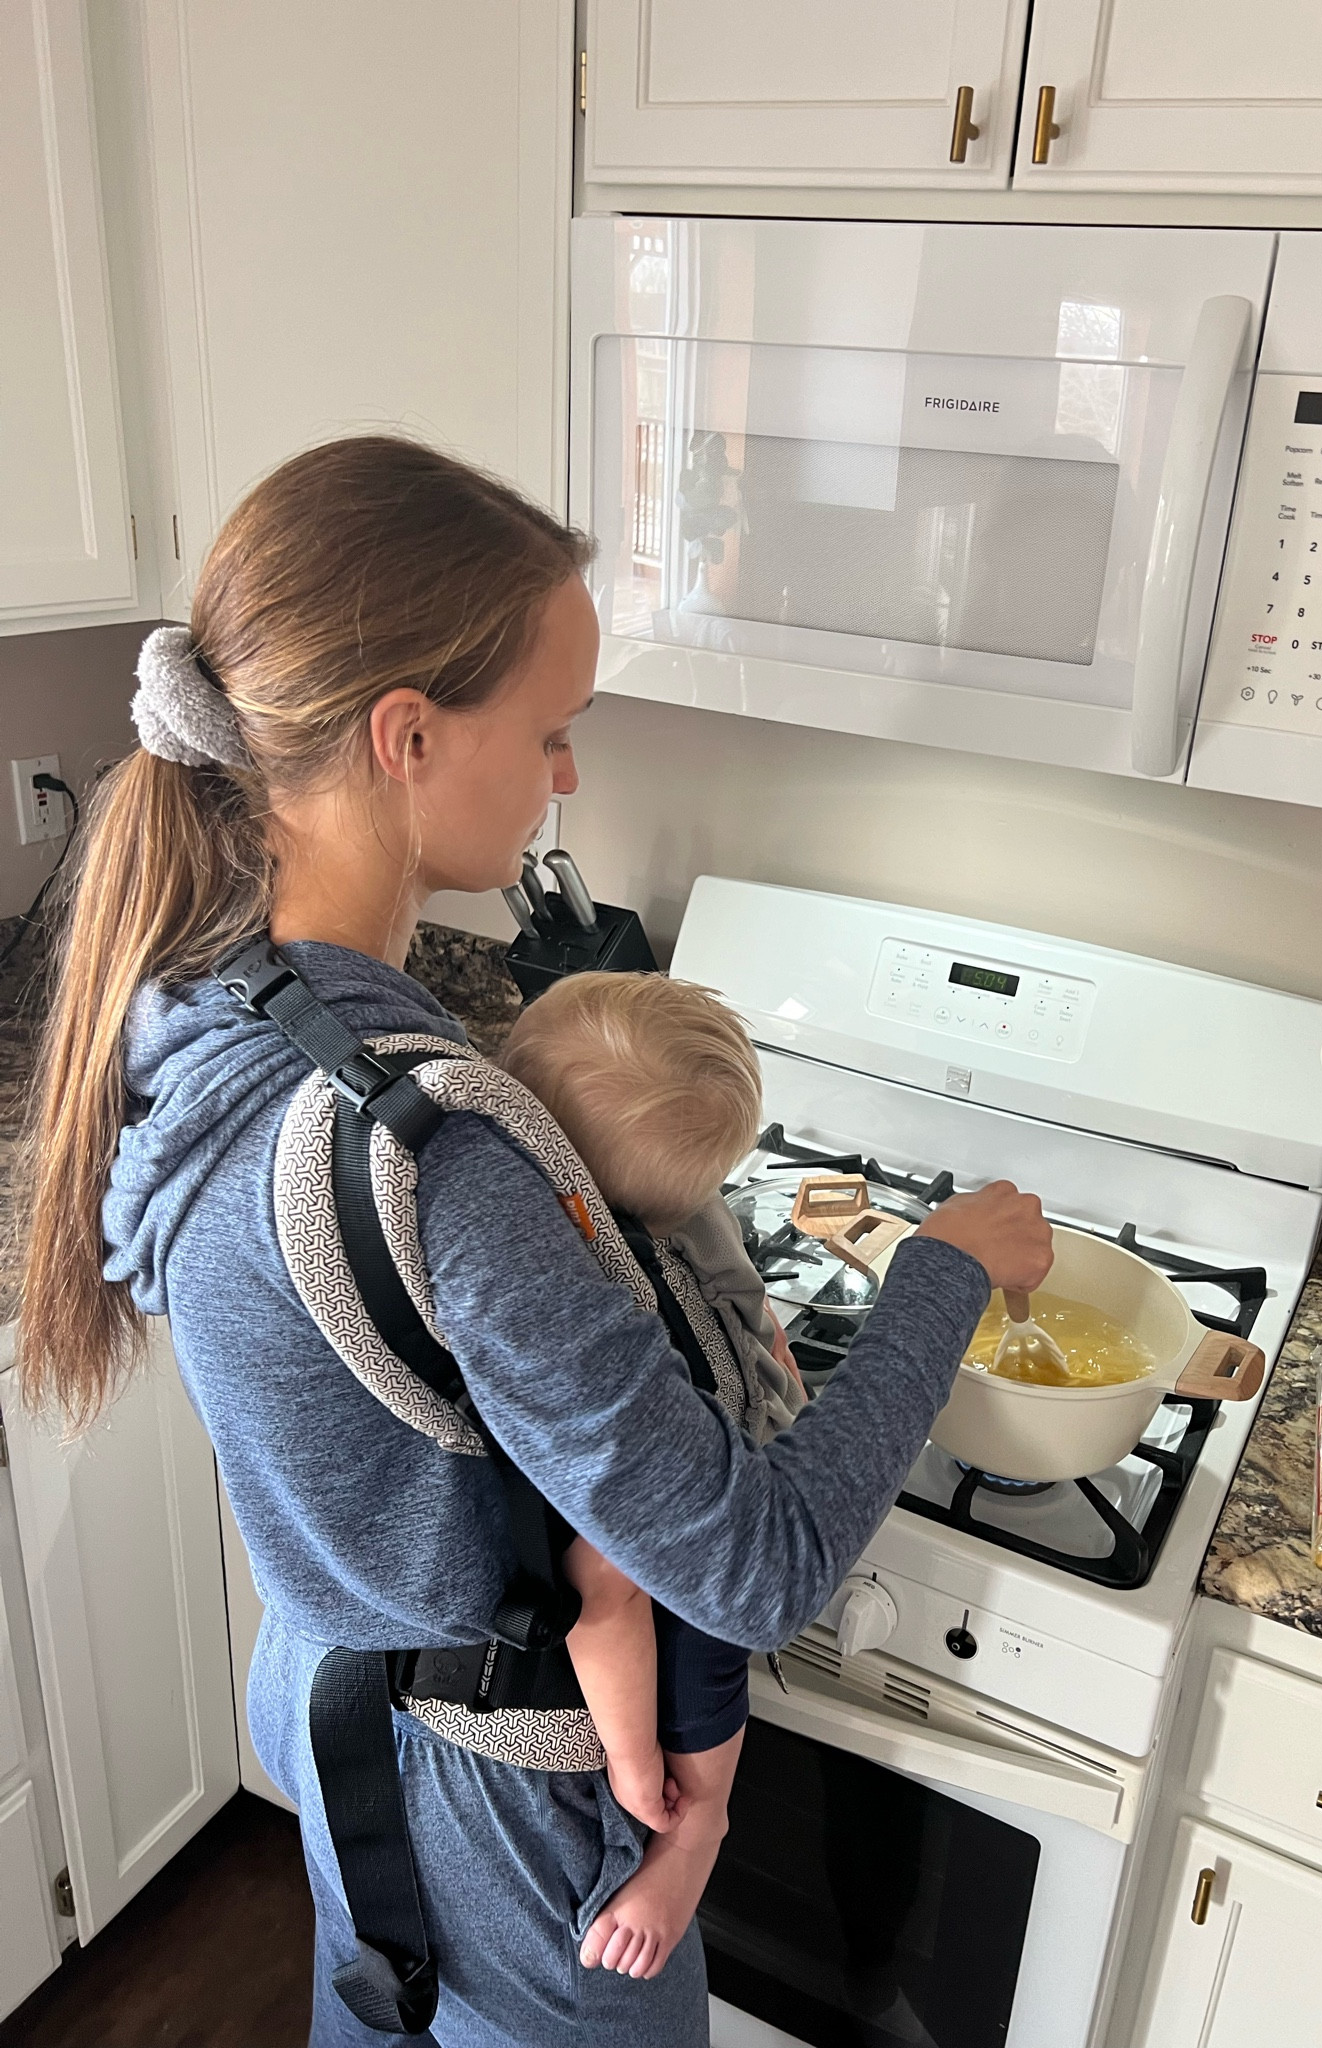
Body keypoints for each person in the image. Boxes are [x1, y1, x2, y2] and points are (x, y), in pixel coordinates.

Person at [14, 435, 1053, 2048]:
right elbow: (753, 1558)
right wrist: (945, 1271)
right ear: (408, 735)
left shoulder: (194, 1017)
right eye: (553, 728)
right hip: (499, 1806)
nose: (566, 773)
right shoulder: (432, 1145)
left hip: (331, 1698)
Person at [501, 969, 806, 1982]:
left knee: (705, 1633)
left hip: (707, 1517)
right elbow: (747, 1297)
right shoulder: (669, 1215)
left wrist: (638, 1767)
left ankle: (702, 1828)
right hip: (741, 1409)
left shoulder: (586, 1298)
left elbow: (606, 1585)